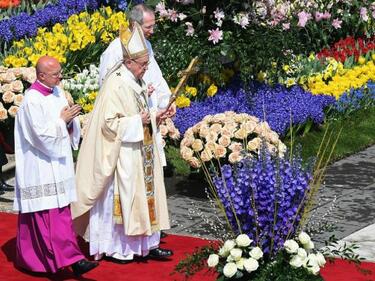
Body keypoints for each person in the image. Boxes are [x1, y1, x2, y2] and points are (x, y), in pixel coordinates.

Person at [71, 23, 172, 264]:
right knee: (124, 198)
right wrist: (139, 120)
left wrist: (155, 114)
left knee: (144, 195)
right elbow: (109, 123)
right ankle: (118, 248)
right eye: (142, 65)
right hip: (122, 154)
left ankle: (145, 245)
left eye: (146, 65)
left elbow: (140, 110)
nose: (145, 69)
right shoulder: (115, 83)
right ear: (128, 62)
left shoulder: (135, 79)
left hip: (141, 150)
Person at [13, 56, 98, 276]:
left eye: (60, 72)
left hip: (57, 163)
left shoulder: (58, 92)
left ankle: (51, 260)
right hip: (40, 165)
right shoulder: (32, 100)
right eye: (55, 74)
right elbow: (39, 136)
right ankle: (69, 260)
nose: (60, 76)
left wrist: (70, 121)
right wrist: (62, 121)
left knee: (59, 213)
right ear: (41, 76)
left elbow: (66, 126)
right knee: (46, 216)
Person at [99, 3, 176, 168]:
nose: (152, 31)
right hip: (128, 119)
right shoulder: (115, 50)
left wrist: (167, 101)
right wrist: (137, 92)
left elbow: (156, 77)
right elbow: (107, 87)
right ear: (135, 25)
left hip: (148, 114)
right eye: (149, 27)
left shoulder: (146, 45)